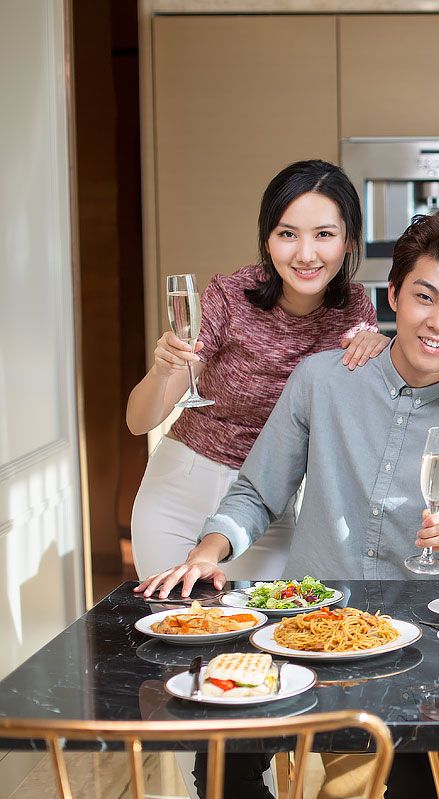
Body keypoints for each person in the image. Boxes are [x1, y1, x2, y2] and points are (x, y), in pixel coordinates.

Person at [136, 209, 439, 799]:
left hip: (421, 646)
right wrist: (207, 553)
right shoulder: (323, 379)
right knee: (219, 766)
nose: (438, 321)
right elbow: (259, 490)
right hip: (306, 627)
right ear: (393, 295)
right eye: (423, 297)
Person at [126, 159, 389, 580]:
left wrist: (379, 356)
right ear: (267, 240)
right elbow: (140, 422)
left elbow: (359, 425)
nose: (306, 254)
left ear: (349, 241)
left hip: (265, 501)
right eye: (287, 234)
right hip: (181, 489)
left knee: (260, 634)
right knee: (175, 634)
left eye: (324, 235)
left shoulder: (354, 311)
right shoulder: (229, 297)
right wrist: (161, 372)